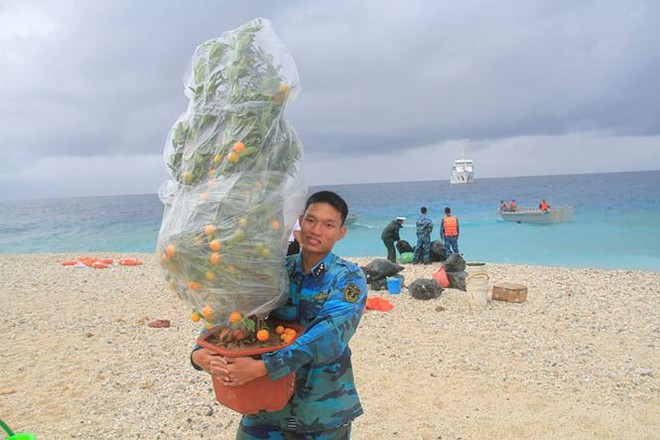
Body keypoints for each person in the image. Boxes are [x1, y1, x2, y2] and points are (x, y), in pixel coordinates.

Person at [191, 191, 367, 438]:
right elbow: (237, 313)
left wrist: (264, 366)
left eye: (328, 225)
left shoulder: (348, 277)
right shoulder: (275, 270)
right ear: (300, 221)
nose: (316, 230)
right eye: (311, 220)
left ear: (341, 232)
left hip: (322, 413)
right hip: (263, 408)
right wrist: (201, 354)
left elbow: (329, 336)